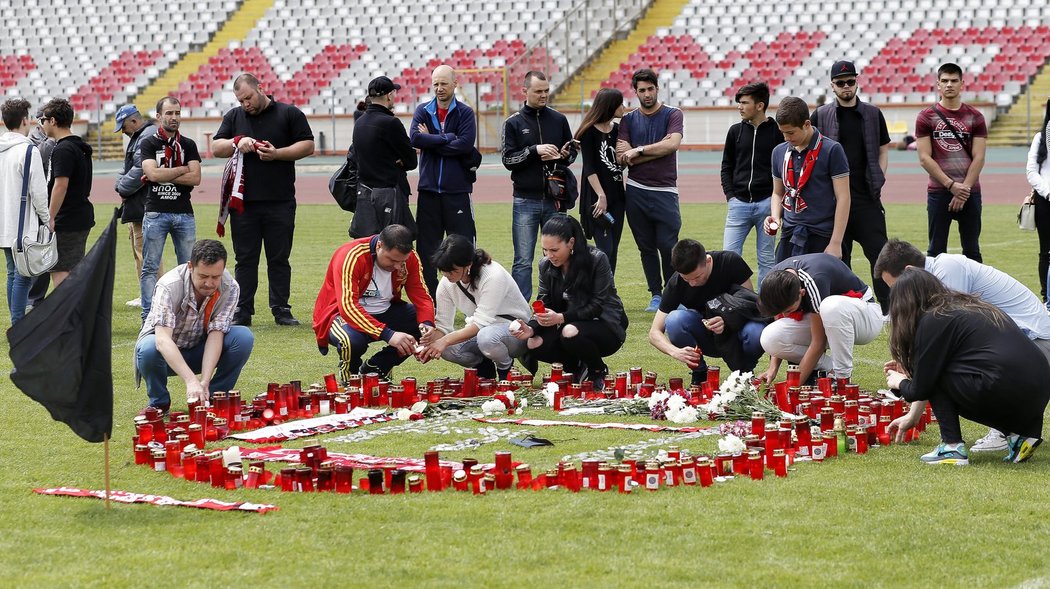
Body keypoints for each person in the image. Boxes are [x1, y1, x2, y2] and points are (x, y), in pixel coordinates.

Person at [874, 238, 1050, 452]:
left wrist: (909, 379)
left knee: (946, 371)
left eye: (897, 289)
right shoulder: (942, 275)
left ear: (909, 272)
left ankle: (967, 443)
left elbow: (934, 364)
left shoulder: (946, 278)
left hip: (1036, 342)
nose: (898, 299)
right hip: (1031, 363)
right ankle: (1016, 433)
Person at [211, 73, 315, 327]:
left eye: (248, 97)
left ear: (261, 88)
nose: (245, 103)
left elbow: (308, 145)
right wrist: (238, 141)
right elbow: (215, 148)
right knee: (245, 259)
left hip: (280, 201)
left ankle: (281, 309)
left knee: (278, 258)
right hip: (243, 205)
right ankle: (242, 310)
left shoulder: (289, 114)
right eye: (240, 100)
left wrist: (277, 153)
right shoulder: (235, 117)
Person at [135, 239, 254, 414]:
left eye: (216, 277)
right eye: (203, 276)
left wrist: (204, 381)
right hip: (165, 355)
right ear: (190, 266)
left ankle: (214, 397)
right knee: (148, 348)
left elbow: (216, 334)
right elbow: (162, 340)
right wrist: (191, 380)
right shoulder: (168, 286)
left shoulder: (230, 287)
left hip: (201, 349)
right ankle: (159, 403)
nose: (210, 283)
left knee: (243, 337)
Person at [811, 61, 892, 313]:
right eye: (840, 82)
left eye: (850, 81)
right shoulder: (821, 115)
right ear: (832, 86)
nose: (846, 86)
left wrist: (879, 179)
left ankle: (889, 309)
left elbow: (882, 149)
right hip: (834, 203)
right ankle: (847, 308)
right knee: (838, 259)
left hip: (867, 198)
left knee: (881, 256)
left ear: (857, 81)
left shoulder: (872, 113)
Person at [512, 216, 628, 389]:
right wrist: (532, 327)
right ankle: (575, 368)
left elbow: (597, 306)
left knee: (569, 331)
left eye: (554, 250)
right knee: (533, 342)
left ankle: (598, 370)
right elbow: (544, 301)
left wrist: (561, 317)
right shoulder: (545, 265)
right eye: (545, 250)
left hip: (605, 325)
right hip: (569, 324)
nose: (549, 255)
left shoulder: (597, 259)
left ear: (571, 242)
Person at [313, 224, 435, 382]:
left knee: (424, 324)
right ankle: (351, 382)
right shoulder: (351, 255)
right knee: (351, 342)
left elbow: (422, 296)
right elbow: (348, 306)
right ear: (379, 246)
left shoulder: (410, 257)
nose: (397, 266)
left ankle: (377, 368)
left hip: (386, 311)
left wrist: (427, 324)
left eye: (401, 261)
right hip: (339, 314)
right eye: (392, 260)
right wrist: (388, 334)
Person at [648, 239, 767, 385]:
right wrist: (675, 352)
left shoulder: (730, 262)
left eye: (697, 277)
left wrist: (727, 319)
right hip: (707, 336)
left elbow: (750, 306)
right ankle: (699, 372)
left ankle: (745, 372)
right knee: (674, 320)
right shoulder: (676, 283)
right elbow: (654, 332)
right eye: (686, 279)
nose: (692, 283)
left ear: (708, 261)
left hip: (738, 331)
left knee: (757, 331)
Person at [501, 71, 576, 300]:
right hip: (525, 199)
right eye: (538, 91)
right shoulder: (513, 122)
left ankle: (561, 300)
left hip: (555, 198)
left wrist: (565, 154)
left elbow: (570, 154)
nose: (544, 95)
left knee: (561, 254)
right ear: (525, 91)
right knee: (523, 259)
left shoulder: (559, 119)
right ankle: (520, 307)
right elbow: (508, 160)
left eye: (546, 91)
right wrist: (535, 151)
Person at [616, 68, 684, 311]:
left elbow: (672, 145)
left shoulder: (673, 114)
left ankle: (673, 293)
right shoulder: (628, 119)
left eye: (650, 89)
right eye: (641, 90)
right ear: (635, 92)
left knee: (668, 246)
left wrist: (639, 150)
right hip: (636, 191)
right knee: (646, 247)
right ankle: (655, 294)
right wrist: (650, 151)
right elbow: (623, 157)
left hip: (665, 191)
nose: (647, 94)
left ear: (657, 88)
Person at [758, 253, 883, 385]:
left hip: (865, 316)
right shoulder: (773, 282)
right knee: (770, 338)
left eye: (788, 311)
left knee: (830, 307)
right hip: (831, 318)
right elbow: (780, 321)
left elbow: (819, 341)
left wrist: (792, 386)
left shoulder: (815, 279)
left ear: (802, 293)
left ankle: (842, 378)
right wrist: (772, 369)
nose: (786, 316)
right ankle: (831, 368)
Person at [418, 234, 531, 380]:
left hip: (516, 331)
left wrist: (443, 341)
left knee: (486, 337)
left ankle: (506, 371)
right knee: (447, 349)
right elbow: (443, 326)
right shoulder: (446, 283)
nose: (447, 276)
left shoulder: (492, 275)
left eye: (453, 271)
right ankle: (484, 370)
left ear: (468, 264)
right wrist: (430, 341)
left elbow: (479, 324)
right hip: (484, 332)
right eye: (443, 271)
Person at [410, 65, 479, 295]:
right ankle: (432, 301)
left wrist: (432, 139)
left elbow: (465, 145)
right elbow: (415, 139)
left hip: (457, 191)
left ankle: (470, 298)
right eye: (436, 84)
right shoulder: (423, 110)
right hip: (428, 192)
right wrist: (448, 138)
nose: (439, 88)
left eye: (444, 84)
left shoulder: (465, 113)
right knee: (427, 249)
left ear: (454, 84)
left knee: (463, 247)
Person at [915, 62, 987, 262]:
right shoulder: (926, 117)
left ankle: (975, 293)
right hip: (939, 191)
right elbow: (924, 157)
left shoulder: (976, 117)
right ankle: (935, 294)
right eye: (944, 81)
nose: (949, 85)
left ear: (962, 84)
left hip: (970, 192)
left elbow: (979, 157)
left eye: (954, 81)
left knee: (972, 251)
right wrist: (951, 185)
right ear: (938, 84)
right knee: (936, 251)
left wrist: (963, 190)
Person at [764, 97, 850, 263]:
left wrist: (836, 242)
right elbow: (777, 192)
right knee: (781, 287)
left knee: (823, 288)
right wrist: (775, 217)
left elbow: (843, 197)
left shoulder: (832, 150)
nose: (786, 138)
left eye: (790, 133)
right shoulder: (778, 152)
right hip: (790, 235)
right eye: (782, 132)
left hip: (823, 235)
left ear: (807, 124)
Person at [138, 96, 200, 320]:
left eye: (177, 113)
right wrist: (182, 169)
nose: (174, 118)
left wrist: (165, 175)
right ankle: (148, 316)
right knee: (150, 267)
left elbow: (196, 178)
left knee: (189, 268)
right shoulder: (149, 143)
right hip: (156, 212)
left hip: (184, 212)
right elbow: (152, 174)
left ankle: (185, 315)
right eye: (169, 113)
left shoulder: (189, 144)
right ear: (158, 116)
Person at [721, 82, 782, 287]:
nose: (739, 106)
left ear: (759, 105)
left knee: (766, 258)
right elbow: (726, 166)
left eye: (744, 102)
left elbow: (782, 169)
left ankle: (765, 303)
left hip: (767, 205)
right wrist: (730, 195)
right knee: (729, 255)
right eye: (739, 102)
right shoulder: (734, 131)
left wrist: (775, 202)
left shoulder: (777, 132)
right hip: (738, 204)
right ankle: (735, 300)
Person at [0, 98, 50, 324]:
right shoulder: (29, 151)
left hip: (4, 221)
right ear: (23, 120)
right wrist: (47, 218)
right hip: (22, 223)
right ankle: (18, 323)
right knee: (23, 275)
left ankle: (16, 320)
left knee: (12, 272)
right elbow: (39, 192)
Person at [352, 75, 418, 238]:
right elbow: (411, 160)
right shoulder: (391, 123)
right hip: (390, 193)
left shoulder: (359, 123)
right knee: (396, 245)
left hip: (366, 194)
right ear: (389, 95)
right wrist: (399, 162)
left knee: (370, 245)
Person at [38, 98, 94, 288]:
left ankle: (66, 314)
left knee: (60, 270)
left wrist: (50, 217)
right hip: (80, 214)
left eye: (43, 120)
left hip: (67, 218)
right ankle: (74, 313)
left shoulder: (63, 149)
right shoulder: (80, 146)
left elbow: (60, 185)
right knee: (72, 268)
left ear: (52, 121)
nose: (42, 125)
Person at [574, 87, 626, 274]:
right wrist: (601, 195)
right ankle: (600, 290)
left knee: (614, 250)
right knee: (605, 249)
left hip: (618, 197)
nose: (624, 107)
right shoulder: (589, 132)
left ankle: (608, 292)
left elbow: (617, 164)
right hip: (598, 199)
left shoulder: (618, 130)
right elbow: (589, 167)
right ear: (610, 106)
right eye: (620, 103)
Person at [114, 104, 159, 308]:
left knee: (146, 252)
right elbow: (128, 168)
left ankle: (155, 295)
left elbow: (140, 168)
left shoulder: (146, 136)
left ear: (133, 121)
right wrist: (121, 183)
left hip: (144, 203)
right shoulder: (141, 135)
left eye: (123, 127)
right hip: (139, 203)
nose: (122, 131)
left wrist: (122, 187)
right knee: (139, 250)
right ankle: (146, 294)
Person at [1025, 97, 1050, 305]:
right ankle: (1046, 298)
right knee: (1046, 251)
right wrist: (1048, 192)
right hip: (1045, 201)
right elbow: (1031, 171)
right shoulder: (1040, 138)